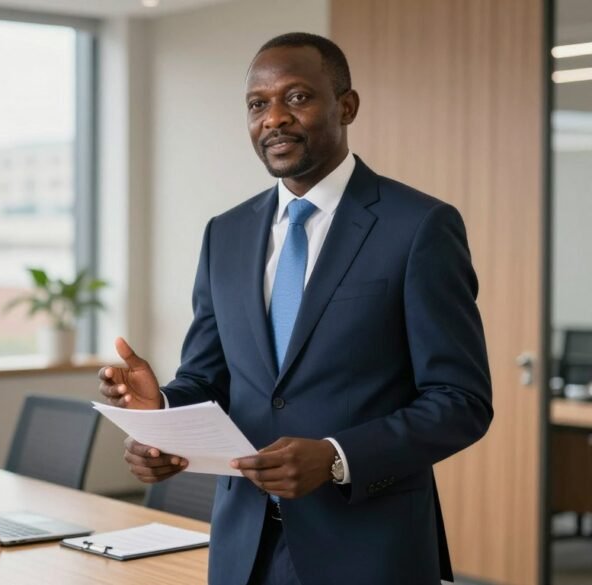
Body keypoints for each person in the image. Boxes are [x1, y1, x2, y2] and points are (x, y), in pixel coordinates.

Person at [98, 32, 493, 585]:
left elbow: (461, 402)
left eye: (298, 97)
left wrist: (337, 456)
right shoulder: (225, 235)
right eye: (258, 104)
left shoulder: (419, 226)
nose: (274, 118)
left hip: (369, 549)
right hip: (243, 548)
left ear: (346, 106)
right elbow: (209, 376)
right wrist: (162, 413)